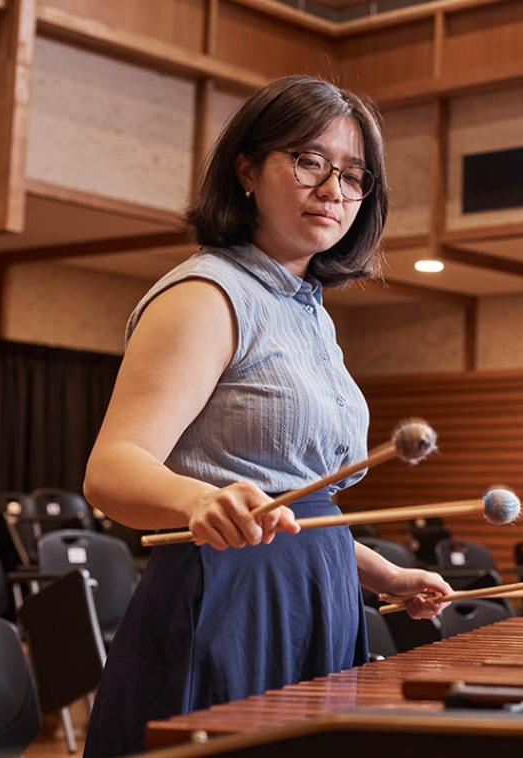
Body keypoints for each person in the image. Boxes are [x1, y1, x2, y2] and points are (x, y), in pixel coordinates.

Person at [81, 75, 453, 757]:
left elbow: (294, 503)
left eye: (354, 174)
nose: (333, 189)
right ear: (247, 169)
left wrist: (383, 577)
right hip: (230, 599)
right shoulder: (207, 295)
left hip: (320, 592)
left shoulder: (307, 311)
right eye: (309, 160)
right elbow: (111, 470)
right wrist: (200, 497)